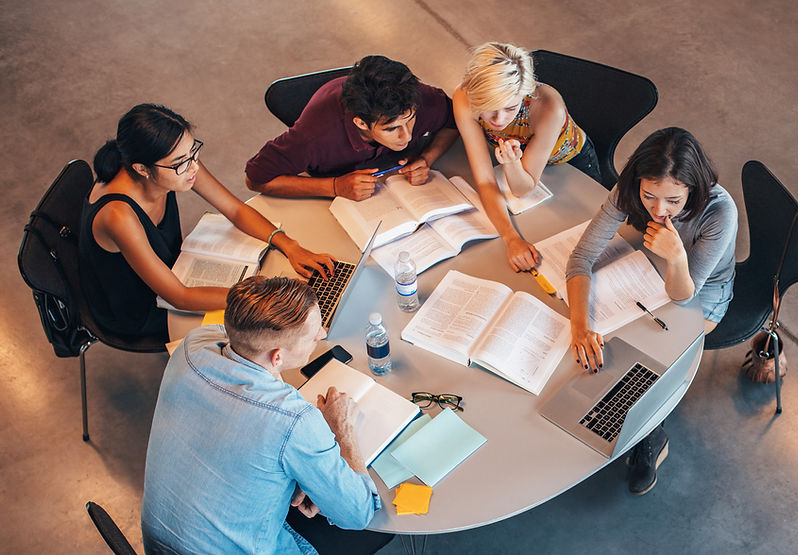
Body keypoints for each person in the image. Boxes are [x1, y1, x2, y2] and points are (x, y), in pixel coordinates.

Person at [142, 276, 391, 554]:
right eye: (314, 333)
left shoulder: (194, 344)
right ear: (277, 358)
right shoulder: (294, 421)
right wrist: (340, 429)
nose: (321, 334)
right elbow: (359, 513)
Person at [565, 127, 737, 495]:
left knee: (648, 352)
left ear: (693, 188)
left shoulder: (719, 212)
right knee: (603, 336)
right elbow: (581, 258)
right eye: (649, 197)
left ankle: (649, 433)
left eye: (674, 201)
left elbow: (683, 296)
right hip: (646, 271)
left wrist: (675, 256)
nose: (659, 211)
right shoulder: (628, 192)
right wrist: (580, 326)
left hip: (702, 293)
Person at [80, 103, 336, 343]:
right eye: (181, 163)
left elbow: (235, 210)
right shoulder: (118, 216)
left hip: (173, 269)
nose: (193, 168)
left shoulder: (176, 160)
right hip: (140, 306)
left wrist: (289, 245)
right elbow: (177, 297)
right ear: (142, 169)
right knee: (260, 332)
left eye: (193, 152)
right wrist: (264, 293)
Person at [453, 42, 601, 272]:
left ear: (525, 92)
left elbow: (522, 188)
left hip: (570, 163)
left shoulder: (548, 107)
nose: (499, 120)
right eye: (489, 108)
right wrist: (510, 238)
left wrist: (512, 164)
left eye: (511, 108)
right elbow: (485, 180)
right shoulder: (464, 98)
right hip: (518, 160)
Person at [245, 55, 459, 200]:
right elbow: (256, 179)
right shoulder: (314, 135)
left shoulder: (417, 98)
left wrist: (426, 158)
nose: (407, 135)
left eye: (410, 119)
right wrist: (335, 187)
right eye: (391, 129)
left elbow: (454, 122)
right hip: (339, 191)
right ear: (361, 123)